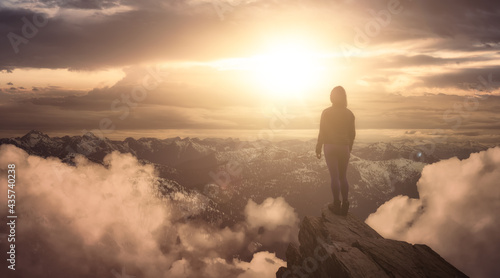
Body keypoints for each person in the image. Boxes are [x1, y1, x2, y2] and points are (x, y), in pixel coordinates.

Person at [316, 86, 355, 216]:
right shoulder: (349, 114)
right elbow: (352, 134)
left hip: (330, 147)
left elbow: (322, 132)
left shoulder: (326, 112)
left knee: (334, 177)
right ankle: (345, 203)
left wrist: (318, 146)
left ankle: (336, 204)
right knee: (343, 176)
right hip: (344, 147)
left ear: (332, 97)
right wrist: (349, 147)